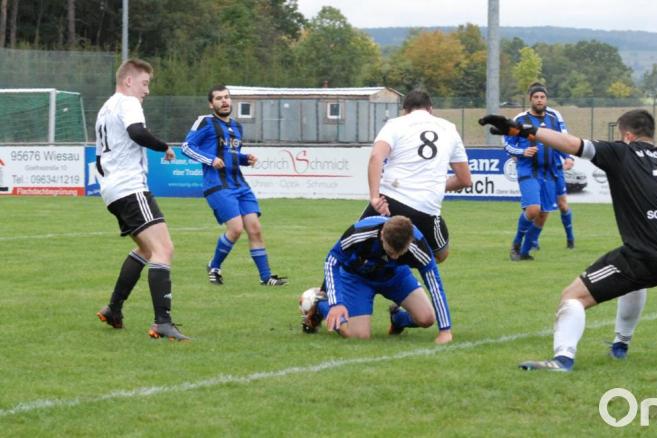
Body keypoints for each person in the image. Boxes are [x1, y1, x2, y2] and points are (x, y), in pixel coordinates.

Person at [480, 110, 657, 372]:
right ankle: (620, 345)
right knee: (634, 280)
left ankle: (562, 360)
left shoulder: (621, 151)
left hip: (645, 255)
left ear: (627, 135)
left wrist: (522, 130)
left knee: (572, 296)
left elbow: (571, 143)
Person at [94, 58, 189, 341]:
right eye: (145, 83)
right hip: (130, 187)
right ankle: (162, 322)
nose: (147, 90)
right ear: (129, 81)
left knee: (147, 251)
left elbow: (100, 158)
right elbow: (137, 132)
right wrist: (164, 147)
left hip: (112, 190)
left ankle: (113, 308)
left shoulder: (105, 108)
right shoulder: (128, 102)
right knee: (164, 250)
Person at [181, 84, 287, 287]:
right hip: (218, 185)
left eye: (227, 97)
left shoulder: (237, 127)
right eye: (219, 98)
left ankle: (266, 277)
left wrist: (245, 158)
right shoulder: (205, 122)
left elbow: (229, 155)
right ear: (211, 104)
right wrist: (210, 159)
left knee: (255, 229)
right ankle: (214, 266)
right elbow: (187, 147)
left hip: (239, 184)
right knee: (236, 228)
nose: (224, 101)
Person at [300, 215, 454, 344]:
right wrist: (336, 304)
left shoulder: (418, 245)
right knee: (359, 336)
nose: (394, 256)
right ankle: (322, 305)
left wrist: (445, 331)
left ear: (409, 241)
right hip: (358, 278)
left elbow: (435, 285)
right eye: (390, 251)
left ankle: (398, 318)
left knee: (427, 318)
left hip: (395, 275)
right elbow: (332, 260)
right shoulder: (360, 233)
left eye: (399, 253)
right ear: (382, 235)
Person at [361, 90, 472, 264]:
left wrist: (375, 197)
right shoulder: (449, 128)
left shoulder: (395, 124)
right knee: (440, 254)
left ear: (405, 110)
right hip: (425, 207)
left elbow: (376, 157)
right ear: (430, 109)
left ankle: (324, 290)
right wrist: (431, 185)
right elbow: (465, 180)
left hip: (389, 200)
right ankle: (397, 267)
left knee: (353, 244)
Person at [505, 83, 573, 261]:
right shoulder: (519, 120)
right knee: (533, 209)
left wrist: (568, 157)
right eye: (536, 97)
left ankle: (525, 252)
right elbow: (507, 144)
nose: (539, 100)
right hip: (528, 170)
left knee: (543, 215)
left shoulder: (553, 118)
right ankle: (516, 244)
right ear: (530, 99)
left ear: (546, 99)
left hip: (549, 171)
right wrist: (522, 152)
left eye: (542, 97)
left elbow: (562, 141)